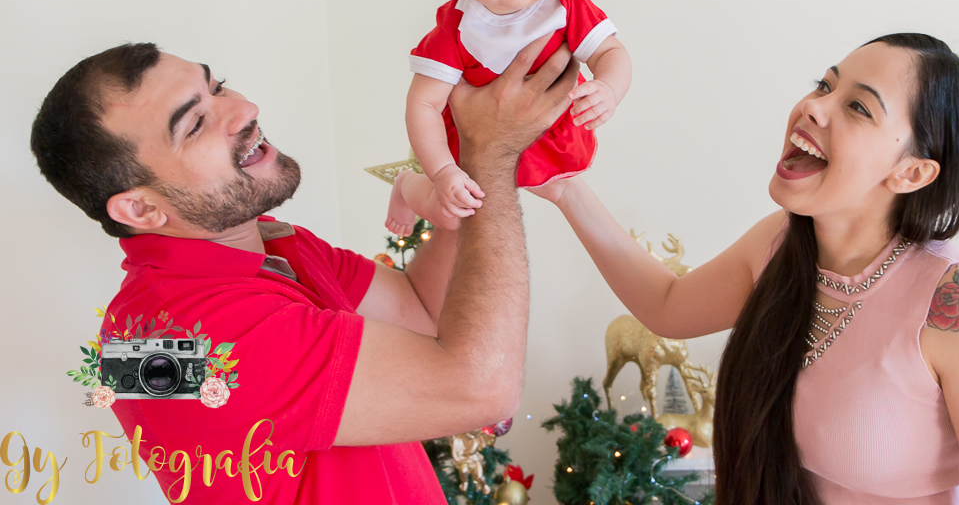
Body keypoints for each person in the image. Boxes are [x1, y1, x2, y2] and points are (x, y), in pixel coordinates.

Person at [30, 36, 579, 504]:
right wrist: (492, 158)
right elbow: (480, 387)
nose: (243, 109)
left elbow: (421, 313)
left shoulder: (270, 243)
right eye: (195, 123)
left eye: (217, 87)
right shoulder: (166, 339)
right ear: (142, 209)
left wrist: (455, 179)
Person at [534, 34, 959, 504]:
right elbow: (668, 306)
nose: (814, 107)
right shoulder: (780, 245)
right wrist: (564, 187)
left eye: (857, 107)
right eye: (824, 85)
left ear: (912, 171)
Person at [385, 0, 632, 236]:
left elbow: (610, 52)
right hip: (473, 151)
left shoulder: (566, 3)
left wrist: (609, 88)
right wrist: (443, 171)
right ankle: (406, 185)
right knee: (451, 215)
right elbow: (423, 104)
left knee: (553, 187)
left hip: (550, 137)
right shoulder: (456, 27)